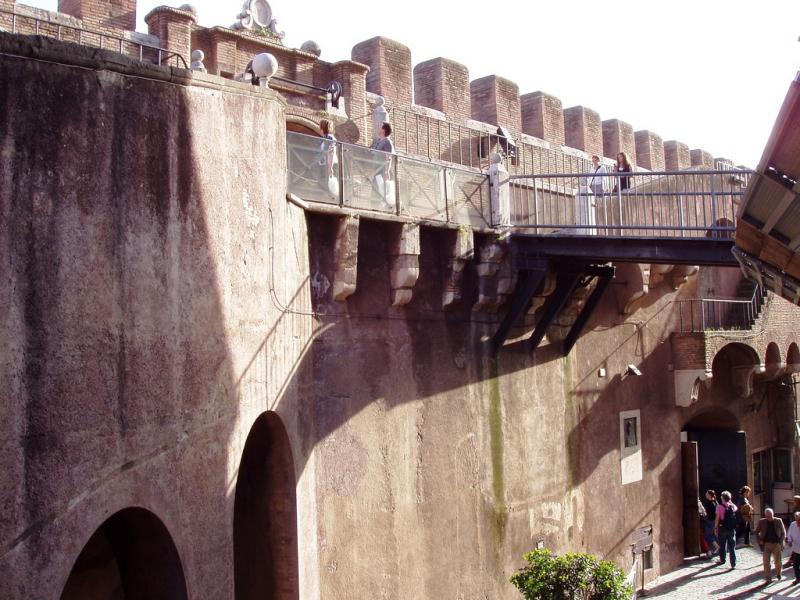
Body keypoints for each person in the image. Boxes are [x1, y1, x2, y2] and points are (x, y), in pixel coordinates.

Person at [756, 507, 786, 583]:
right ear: (765, 516)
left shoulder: (778, 521)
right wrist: (759, 540)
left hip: (776, 544)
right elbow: (756, 532)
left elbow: (783, 532)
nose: (769, 518)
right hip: (766, 544)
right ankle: (768, 579)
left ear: (773, 514)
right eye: (767, 516)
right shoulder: (762, 521)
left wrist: (780, 541)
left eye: (770, 516)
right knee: (766, 562)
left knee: (777, 561)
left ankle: (778, 573)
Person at [370, 122, 395, 205]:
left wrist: (386, 171)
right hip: (376, 171)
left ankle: (379, 209)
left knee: (380, 192)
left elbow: (389, 157)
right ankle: (373, 208)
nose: (378, 128)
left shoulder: (387, 142)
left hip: (382, 171)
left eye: (380, 127)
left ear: (384, 130)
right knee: (374, 191)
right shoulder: (379, 141)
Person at [714, 490, 738, 568]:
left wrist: (715, 528)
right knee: (732, 547)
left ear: (723, 498)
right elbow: (736, 508)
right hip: (731, 529)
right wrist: (730, 502)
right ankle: (733, 563)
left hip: (723, 528)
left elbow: (717, 518)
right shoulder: (732, 506)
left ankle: (722, 559)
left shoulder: (719, 507)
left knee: (722, 545)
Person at [318, 119, 338, 195]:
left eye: (320, 126)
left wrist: (330, 167)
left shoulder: (329, 137)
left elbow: (331, 152)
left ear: (322, 127)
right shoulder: (325, 137)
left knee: (327, 187)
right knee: (323, 186)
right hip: (324, 164)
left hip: (329, 164)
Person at [702, 490, 720, 556]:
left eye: (707, 494)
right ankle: (717, 548)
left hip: (710, 521)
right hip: (714, 521)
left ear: (709, 495)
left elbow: (708, 513)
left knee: (708, 536)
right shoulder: (715, 502)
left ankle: (717, 547)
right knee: (713, 535)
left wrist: (705, 515)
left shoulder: (710, 503)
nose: (706, 495)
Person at [786, 512, 800, 584]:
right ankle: (798, 578)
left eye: (799, 521)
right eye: (797, 520)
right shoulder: (793, 524)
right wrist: (790, 541)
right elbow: (789, 534)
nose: (798, 523)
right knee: (795, 565)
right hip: (796, 549)